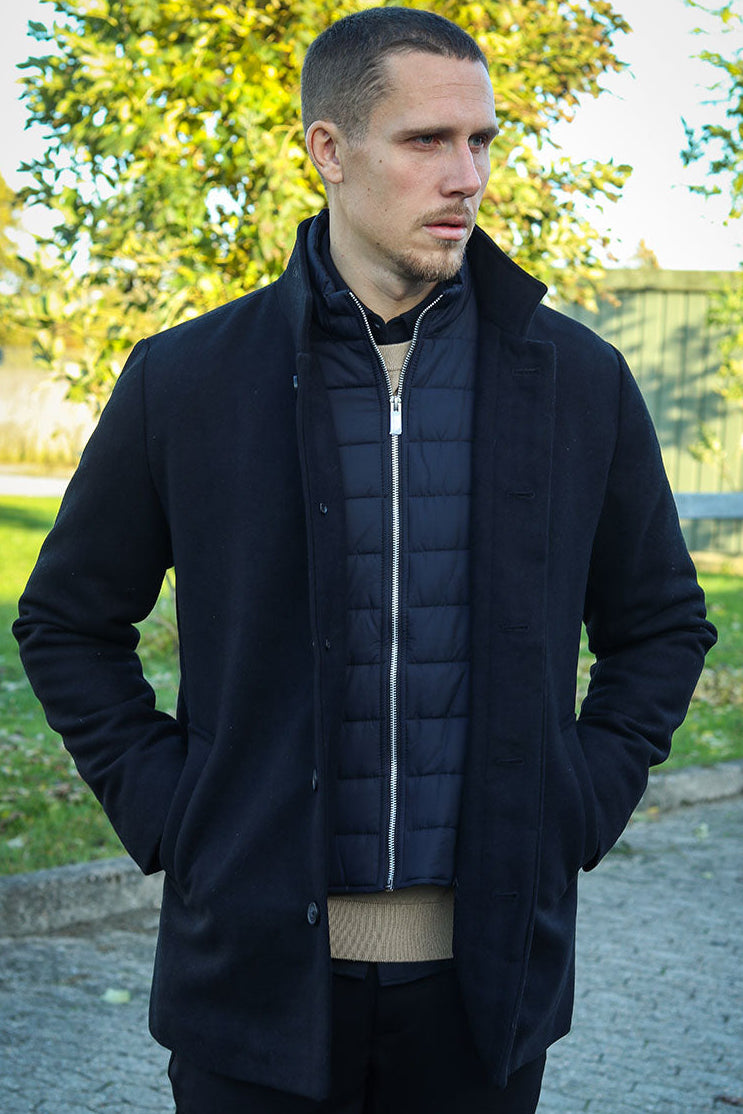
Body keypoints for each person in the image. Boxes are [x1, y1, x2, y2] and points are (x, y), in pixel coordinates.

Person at [14, 7, 716, 1113]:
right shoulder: (188, 380)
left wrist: (577, 800)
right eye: (426, 140)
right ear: (329, 151)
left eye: (479, 141)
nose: (465, 176)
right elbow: (66, 621)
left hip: (484, 997)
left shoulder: (574, 382)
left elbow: (661, 625)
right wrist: (173, 811)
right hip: (248, 982)